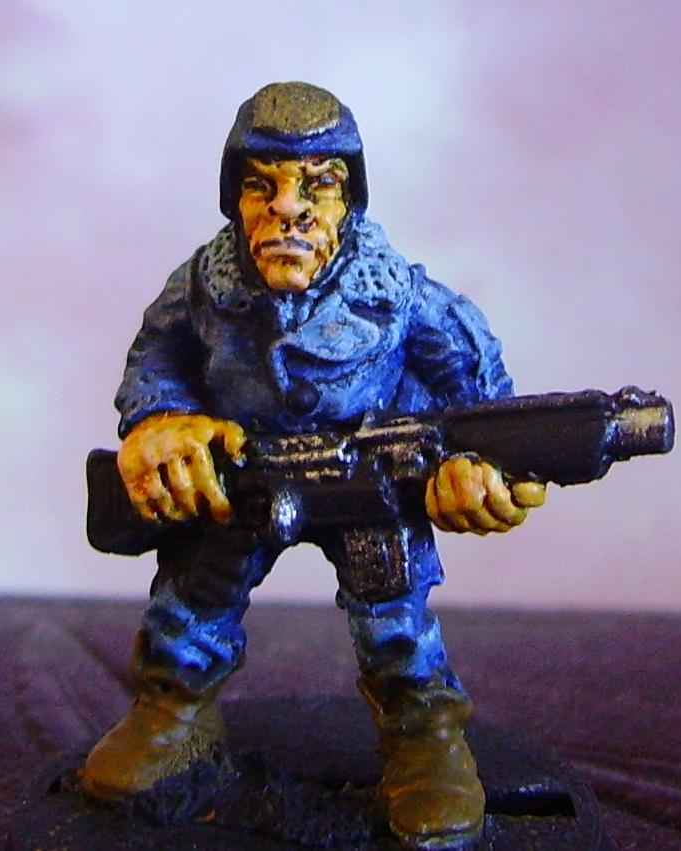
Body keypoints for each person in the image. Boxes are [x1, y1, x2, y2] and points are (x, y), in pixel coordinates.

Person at [82, 81, 546, 850]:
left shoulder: (398, 294)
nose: (287, 209)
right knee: (193, 596)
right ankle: (172, 710)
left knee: (393, 610)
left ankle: (422, 733)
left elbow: (475, 382)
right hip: (241, 479)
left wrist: (476, 462)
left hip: (368, 485)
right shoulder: (203, 284)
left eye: (318, 185)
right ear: (234, 199)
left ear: (348, 199)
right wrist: (159, 423)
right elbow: (156, 357)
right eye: (260, 186)